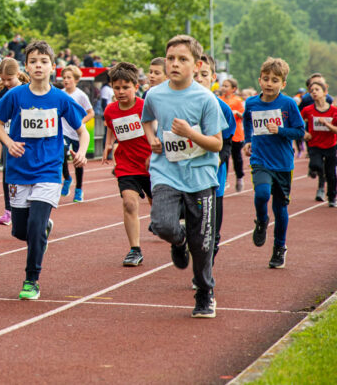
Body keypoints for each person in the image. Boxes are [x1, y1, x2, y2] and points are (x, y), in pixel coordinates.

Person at [0, 40, 88, 300]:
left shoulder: (60, 98)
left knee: (34, 227)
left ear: (52, 67)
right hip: (19, 170)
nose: (38, 65)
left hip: (48, 170)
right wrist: (9, 142)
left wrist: (80, 152)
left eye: (44, 61)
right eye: (33, 61)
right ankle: (43, 227)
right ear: (26, 66)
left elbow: (82, 131)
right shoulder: (15, 95)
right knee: (20, 231)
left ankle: (31, 279)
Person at [141, 35, 224, 318]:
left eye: (182, 59)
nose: (174, 64)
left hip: (200, 176)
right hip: (166, 171)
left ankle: (204, 293)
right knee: (162, 225)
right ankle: (178, 241)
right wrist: (152, 137)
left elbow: (216, 143)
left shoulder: (206, 99)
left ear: (196, 64)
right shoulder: (154, 95)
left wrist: (190, 134)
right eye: (171, 59)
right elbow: (147, 121)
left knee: (202, 244)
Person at [243, 57, 306, 270]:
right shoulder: (251, 103)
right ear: (260, 80)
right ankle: (261, 221)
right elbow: (246, 121)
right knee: (261, 194)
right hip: (260, 160)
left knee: (280, 209)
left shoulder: (288, 104)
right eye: (266, 79)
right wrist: (247, 141)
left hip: (283, 164)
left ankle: (279, 248)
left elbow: (300, 131)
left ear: (283, 84)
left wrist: (280, 130)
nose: (270, 84)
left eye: (275, 80)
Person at [101, 62, 153, 267]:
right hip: (126, 164)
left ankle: (174, 233)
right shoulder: (110, 110)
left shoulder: (145, 107)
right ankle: (135, 249)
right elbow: (110, 127)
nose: (120, 92)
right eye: (116, 88)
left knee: (159, 211)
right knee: (129, 203)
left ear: (136, 86)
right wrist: (108, 144)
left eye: (125, 87)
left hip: (151, 164)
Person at [194, 54, 237, 264]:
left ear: (212, 78)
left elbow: (227, 143)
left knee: (211, 231)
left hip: (213, 180)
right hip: (185, 178)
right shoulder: (177, 105)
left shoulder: (223, 108)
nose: (199, 79)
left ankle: (206, 267)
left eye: (204, 75)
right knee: (190, 229)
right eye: (195, 75)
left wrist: (216, 161)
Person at [301, 79, 337, 207]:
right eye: (311, 91)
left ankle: (332, 197)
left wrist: (326, 124)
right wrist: (304, 133)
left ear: (325, 92)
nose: (314, 93)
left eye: (317, 90)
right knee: (316, 165)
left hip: (330, 145)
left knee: (331, 175)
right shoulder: (308, 110)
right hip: (314, 144)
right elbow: (298, 123)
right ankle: (315, 170)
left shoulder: (334, 110)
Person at [60, 65, 94, 202]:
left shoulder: (81, 95)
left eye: (69, 78)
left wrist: (80, 122)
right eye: (64, 78)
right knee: (61, 154)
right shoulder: (60, 93)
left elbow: (91, 112)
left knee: (77, 161)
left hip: (78, 134)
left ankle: (79, 189)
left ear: (76, 80)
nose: (66, 80)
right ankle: (67, 178)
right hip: (64, 132)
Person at [0, 58, 22, 226]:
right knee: (7, 173)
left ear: (18, 74)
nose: (5, 83)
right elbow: (0, 119)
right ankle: (8, 210)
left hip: (26, 139)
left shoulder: (28, 90)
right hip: (9, 138)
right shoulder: (3, 93)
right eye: (2, 80)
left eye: (9, 79)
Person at [220, 76, 247, 192]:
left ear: (233, 89)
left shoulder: (238, 101)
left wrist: (236, 113)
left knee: (237, 158)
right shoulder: (219, 99)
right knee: (224, 157)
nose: (224, 88)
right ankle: (224, 180)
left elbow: (244, 116)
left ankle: (239, 177)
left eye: (226, 86)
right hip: (223, 133)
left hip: (236, 134)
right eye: (223, 85)